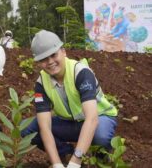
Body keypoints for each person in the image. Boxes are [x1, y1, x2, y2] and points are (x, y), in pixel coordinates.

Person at [21, 30, 118, 168]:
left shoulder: (81, 73)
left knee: (100, 134)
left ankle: (101, 157)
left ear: (63, 52)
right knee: (28, 129)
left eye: (53, 55)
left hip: (100, 118)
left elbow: (92, 119)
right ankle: (65, 154)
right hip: (70, 123)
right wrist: (56, 164)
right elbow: (45, 127)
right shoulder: (41, 84)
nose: (50, 62)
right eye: (43, 59)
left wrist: (76, 161)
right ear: (38, 63)